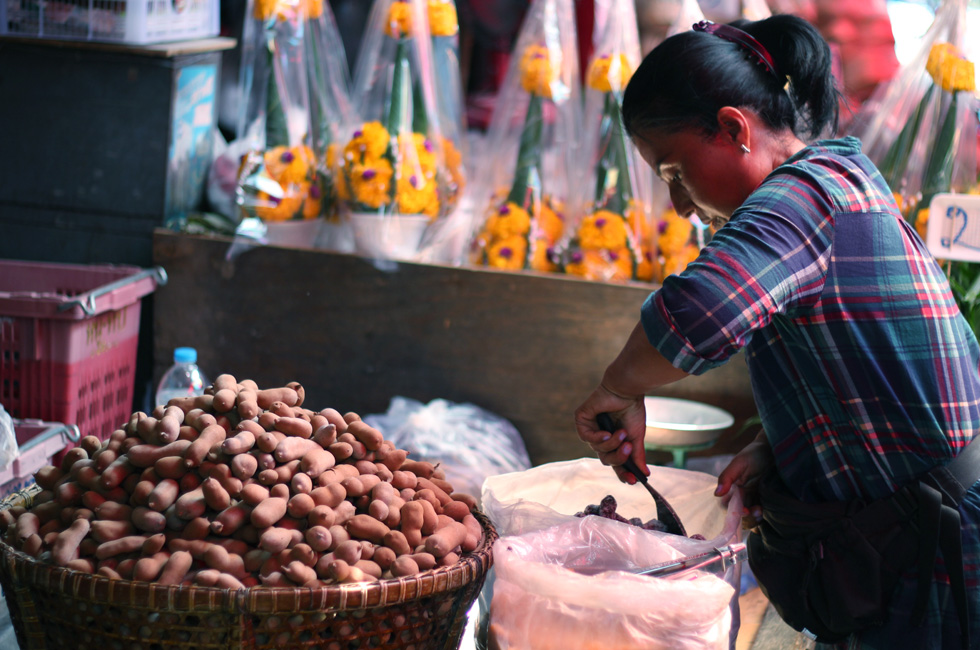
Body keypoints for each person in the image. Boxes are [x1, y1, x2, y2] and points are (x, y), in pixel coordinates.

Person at [572, 13, 980, 650]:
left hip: (939, 550)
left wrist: (616, 390)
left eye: (675, 173)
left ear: (735, 128)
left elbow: (700, 311)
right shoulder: (836, 181)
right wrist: (786, 447)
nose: (679, 205)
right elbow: (861, 362)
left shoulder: (803, 198)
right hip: (914, 525)